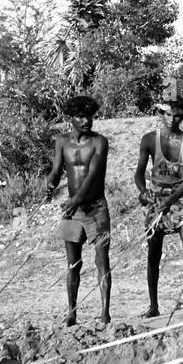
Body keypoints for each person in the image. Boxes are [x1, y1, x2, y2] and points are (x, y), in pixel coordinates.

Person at [134, 96, 183, 317]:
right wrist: (143, 191)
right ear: (162, 114)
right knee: (153, 254)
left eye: (178, 116)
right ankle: (153, 305)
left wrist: (170, 201)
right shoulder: (148, 140)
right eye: (169, 114)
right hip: (156, 198)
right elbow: (138, 173)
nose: (173, 119)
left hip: (180, 198)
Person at [46, 95, 111, 326]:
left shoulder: (99, 142)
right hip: (73, 211)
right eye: (81, 116)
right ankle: (72, 313)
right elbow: (56, 170)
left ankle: (105, 314)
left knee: (102, 261)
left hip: (95, 208)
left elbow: (94, 175)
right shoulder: (62, 141)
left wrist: (75, 201)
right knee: (73, 264)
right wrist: (50, 183)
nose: (86, 121)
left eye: (90, 116)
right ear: (70, 118)